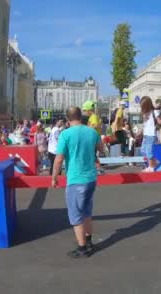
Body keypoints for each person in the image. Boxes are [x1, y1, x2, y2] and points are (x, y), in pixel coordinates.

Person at [51, 106, 103, 258]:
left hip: (75, 180)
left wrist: (54, 176)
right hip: (91, 179)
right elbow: (101, 148)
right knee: (86, 212)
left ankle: (82, 248)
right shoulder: (92, 132)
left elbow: (59, 159)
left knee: (75, 215)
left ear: (67, 119)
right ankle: (88, 242)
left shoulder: (65, 134)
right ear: (81, 116)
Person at [140, 96, 158, 172]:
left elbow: (159, 121)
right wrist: (141, 132)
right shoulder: (145, 113)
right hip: (146, 134)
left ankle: (151, 167)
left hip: (151, 134)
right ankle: (155, 161)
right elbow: (145, 125)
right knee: (143, 150)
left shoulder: (154, 112)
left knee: (149, 151)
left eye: (143, 106)